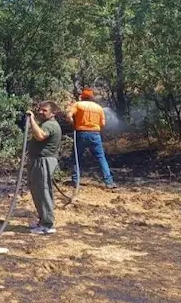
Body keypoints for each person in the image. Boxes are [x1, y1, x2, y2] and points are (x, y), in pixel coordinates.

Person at [66, 88, 116, 189]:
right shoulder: (98, 108)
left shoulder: (78, 105)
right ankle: (109, 182)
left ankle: (75, 181)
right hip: (95, 134)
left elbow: (68, 116)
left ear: (82, 97)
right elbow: (103, 124)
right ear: (92, 97)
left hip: (81, 133)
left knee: (77, 157)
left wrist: (73, 123)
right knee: (101, 158)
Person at [25, 100, 62, 235]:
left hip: (43, 162)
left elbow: (40, 136)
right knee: (39, 191)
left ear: (53, 113)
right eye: (40, 109)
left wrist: (32, 121)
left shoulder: (51, 125)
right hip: (39, 161)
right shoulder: (46, 124)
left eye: (44, 110)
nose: (41, 112)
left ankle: (47, 225)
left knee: (43, 192)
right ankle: (43, 221)